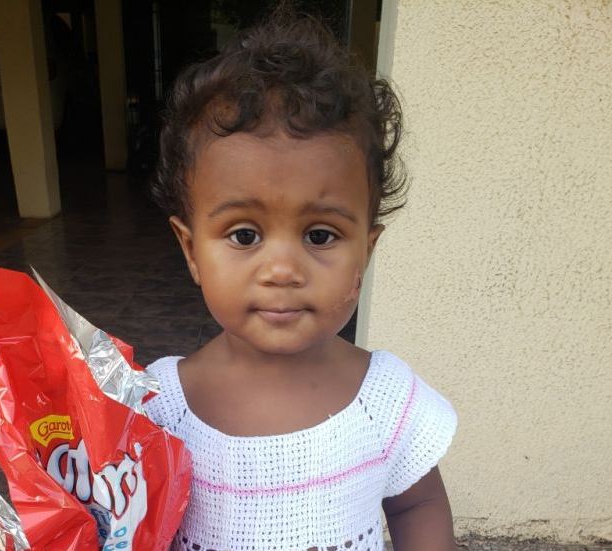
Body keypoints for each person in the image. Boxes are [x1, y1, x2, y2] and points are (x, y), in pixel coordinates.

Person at [143, 7, 458, 551]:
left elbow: (418, 504)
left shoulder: (385, 400)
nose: (283, 270)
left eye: (320, 235)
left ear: (367, 250)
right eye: (245, 235)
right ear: (191, 250)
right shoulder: (158, 409)